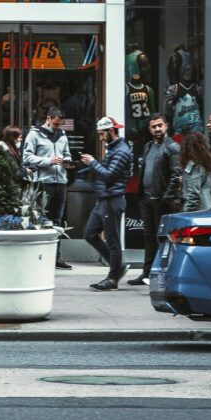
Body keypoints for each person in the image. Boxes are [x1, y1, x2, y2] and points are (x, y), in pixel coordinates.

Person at [75, 116, 134, 291]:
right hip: (104, 199)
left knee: (113, 240)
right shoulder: (115, 149)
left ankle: (113, 278)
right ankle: (118, 267)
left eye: (102, 134)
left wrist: (92, 162)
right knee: (89, 234)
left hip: (112, 200)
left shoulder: (121, 151)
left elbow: (109, 175)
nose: (100, 137)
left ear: (111, 131)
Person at [22, 109, 72, 269]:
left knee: (58, 221)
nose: (57, 127)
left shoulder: (62, 135)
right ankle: (38, 257)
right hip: (44, 182)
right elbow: (27, 157)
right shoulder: (34, 134)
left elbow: (67, 153)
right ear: (48, 118)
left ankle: (56, 258)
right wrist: (48, 161)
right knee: (41, 219)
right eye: (56, 124)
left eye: (60, 125)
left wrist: (67, 161)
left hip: (61, 182)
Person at [132, 115, 179, 286]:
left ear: (166, 126)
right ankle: (146, 273)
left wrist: (166, 198)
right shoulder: (148, 146)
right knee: (149, 237)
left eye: (160, 125)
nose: (157, 129)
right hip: (146, 198)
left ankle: (161, 274)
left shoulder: (172, 147)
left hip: (161, 199)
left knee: (162, 238)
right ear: (149, 129)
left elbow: (176, 175)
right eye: (154, 126)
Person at [179, 131, 211, 212]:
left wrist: (185, 212)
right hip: (207, 207)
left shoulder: (194, 166)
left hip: (198, 211)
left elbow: (194, 195)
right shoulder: (203, 163)